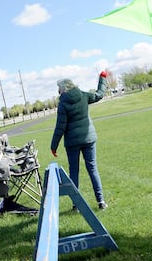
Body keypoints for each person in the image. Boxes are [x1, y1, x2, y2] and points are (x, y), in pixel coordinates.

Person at [50, 71, 109, 210]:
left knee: (74, 172)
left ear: (63, 88)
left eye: (59, 88)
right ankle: (101, 202)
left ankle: (76, 205)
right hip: (89, 138)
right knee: (93, 169)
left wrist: (54, 146)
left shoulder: (63, 103)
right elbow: (99, 94)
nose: (58, 91)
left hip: (72, 143)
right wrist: (102, 78)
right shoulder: (83, 95)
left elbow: (60, 127)